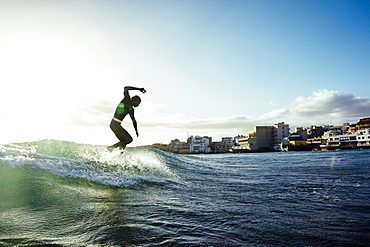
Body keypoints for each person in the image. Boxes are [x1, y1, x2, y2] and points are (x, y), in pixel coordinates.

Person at [108, 86, 146, 151]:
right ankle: (111, 148)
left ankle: (116, 151)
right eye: (138, 103)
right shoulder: (126, 100)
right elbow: (126, 88)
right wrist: (138, 89)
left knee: (129, 140)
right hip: (114, 123)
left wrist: (136, 131)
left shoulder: (131, 110)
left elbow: (134, 120)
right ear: (134, 100)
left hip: (117, 125)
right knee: (125, 140)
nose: (138, 105)